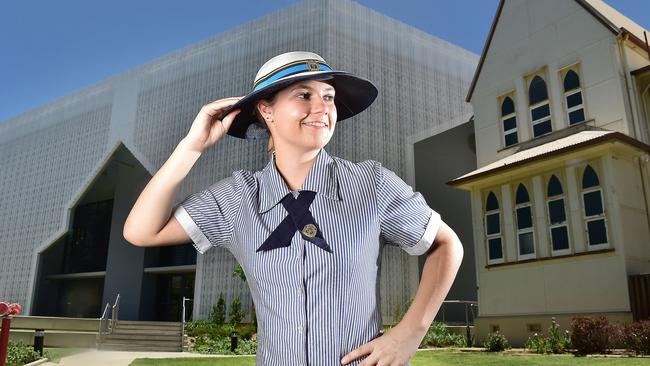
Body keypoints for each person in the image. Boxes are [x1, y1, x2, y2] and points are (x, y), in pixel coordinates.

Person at [123, 51, 464, 366]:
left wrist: (409, 333)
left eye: (328, 97)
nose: (322, 107)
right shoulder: (236, 199)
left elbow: (446, 244)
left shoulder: (372, 184)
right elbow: (141, 231)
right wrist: (192, 146)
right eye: (304, 95)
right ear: (266, 110)